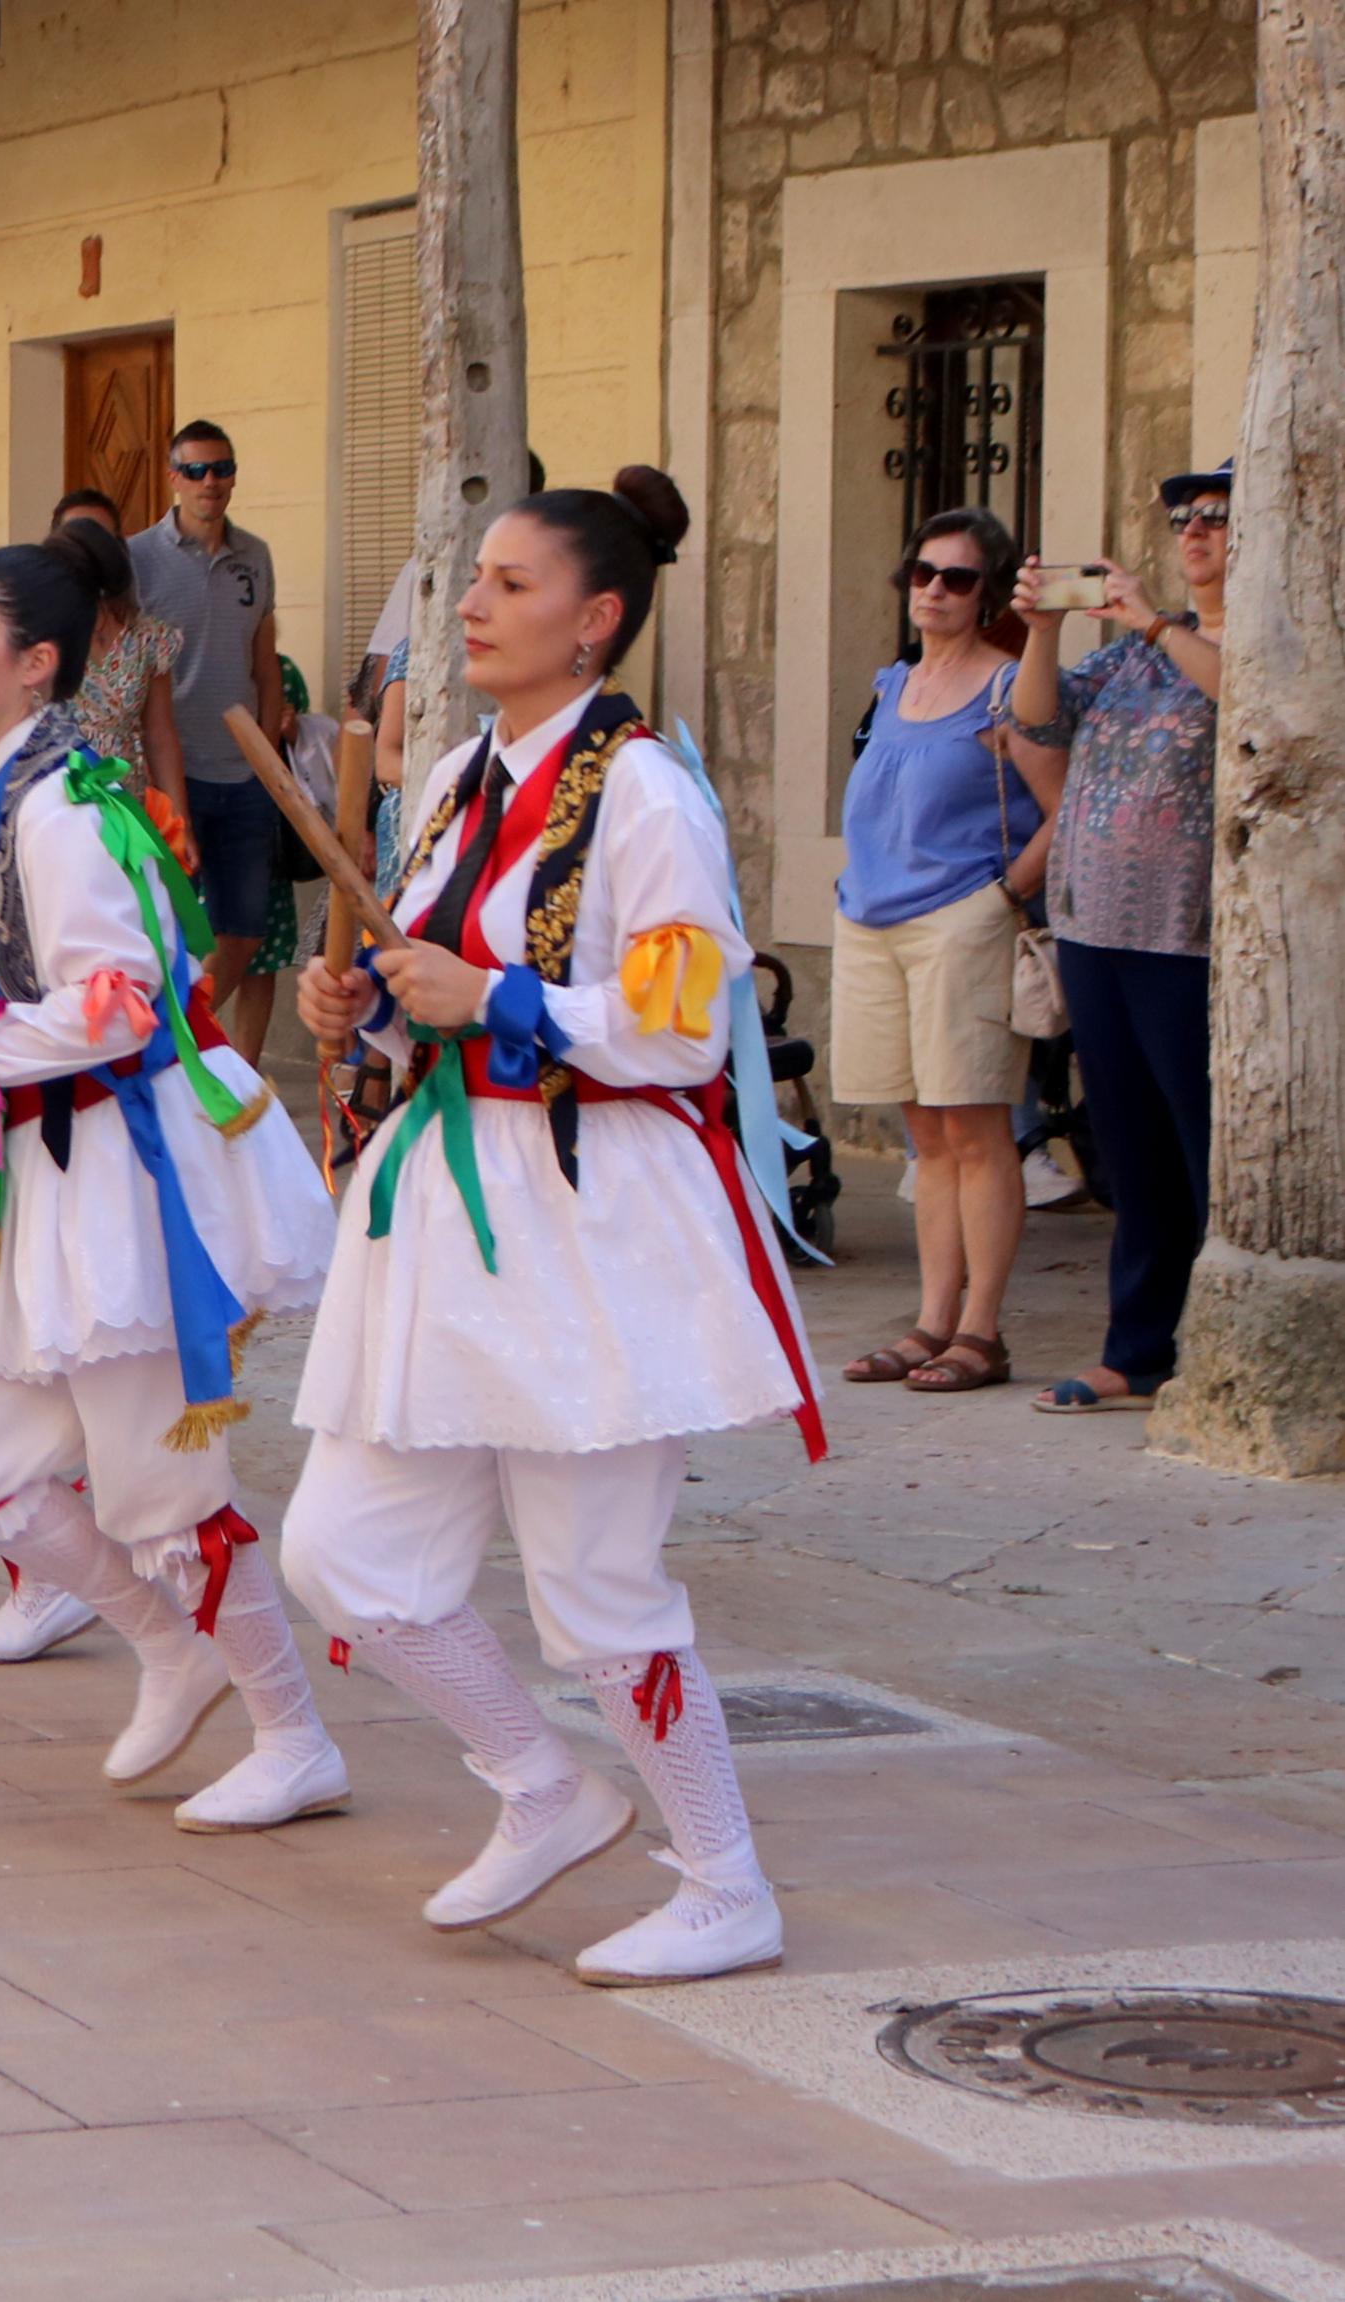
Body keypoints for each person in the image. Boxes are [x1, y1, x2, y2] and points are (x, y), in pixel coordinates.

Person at [282, 467, 823, 1986]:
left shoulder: (644, 788)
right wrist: (372, 1004)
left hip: (588, 1214)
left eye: (509, 585)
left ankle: (723, 1879)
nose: (469, 602)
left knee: (593, 1585)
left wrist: (499, 998)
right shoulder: (455, 775)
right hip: (449, 1208)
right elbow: (429, 973)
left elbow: (675, 1022)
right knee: (343, 1550)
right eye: (475, 580)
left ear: (593, 620)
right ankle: (538, 1783)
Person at [0, 527, 345, 1824]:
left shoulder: (62, 807)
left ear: (34, 663)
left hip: (114, 1177)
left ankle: (290, 1733)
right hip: (38, 1168)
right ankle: (166, 1644)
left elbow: (118, 1002)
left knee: (162, 1486)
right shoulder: (12, 790)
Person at [1008, 462, 1229, 1415]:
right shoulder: (1135, 658)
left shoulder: (1259, 641)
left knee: (1202, 1143)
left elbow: (1249, 699)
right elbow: (1034, 721)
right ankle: (1136, 1348)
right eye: (1184, 516)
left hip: (1191, 935)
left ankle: (1218, 1343)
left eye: (1220, 516)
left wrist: (1150, 620)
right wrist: (1041, 632)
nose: (1195, 531)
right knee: (1129, 1147)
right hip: (1095, 924)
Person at [830, 508, 1043, 1397]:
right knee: (923, 1132)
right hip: (870, 918)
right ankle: (931, 1320)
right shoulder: (891, 684)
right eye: (923, 573)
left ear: (986, 591)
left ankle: (980, 1331)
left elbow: (1061, 806)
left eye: (957, 578)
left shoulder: (1008, 690)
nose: (934, 591)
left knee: (976, 1126)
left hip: (961, 918)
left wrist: (1000, 896)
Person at [130, 420, 297, 1058]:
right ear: (173, 478)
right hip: (167, 772)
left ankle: (175, 1045)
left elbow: (265, 662)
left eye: (222, 469)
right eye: (196, 470)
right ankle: (163, 1046)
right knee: (166, 926)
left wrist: (272, 763)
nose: (211, 483)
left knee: (246, 929)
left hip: (245, 771)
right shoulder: (138, 557)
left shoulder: (255, 556)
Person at [53, 494, 190, 866]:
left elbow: (160, 734)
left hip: (125, 800)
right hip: (55, 798)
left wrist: (179, 823)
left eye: (99, 537)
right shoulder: (39, 633)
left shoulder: (148, 639)